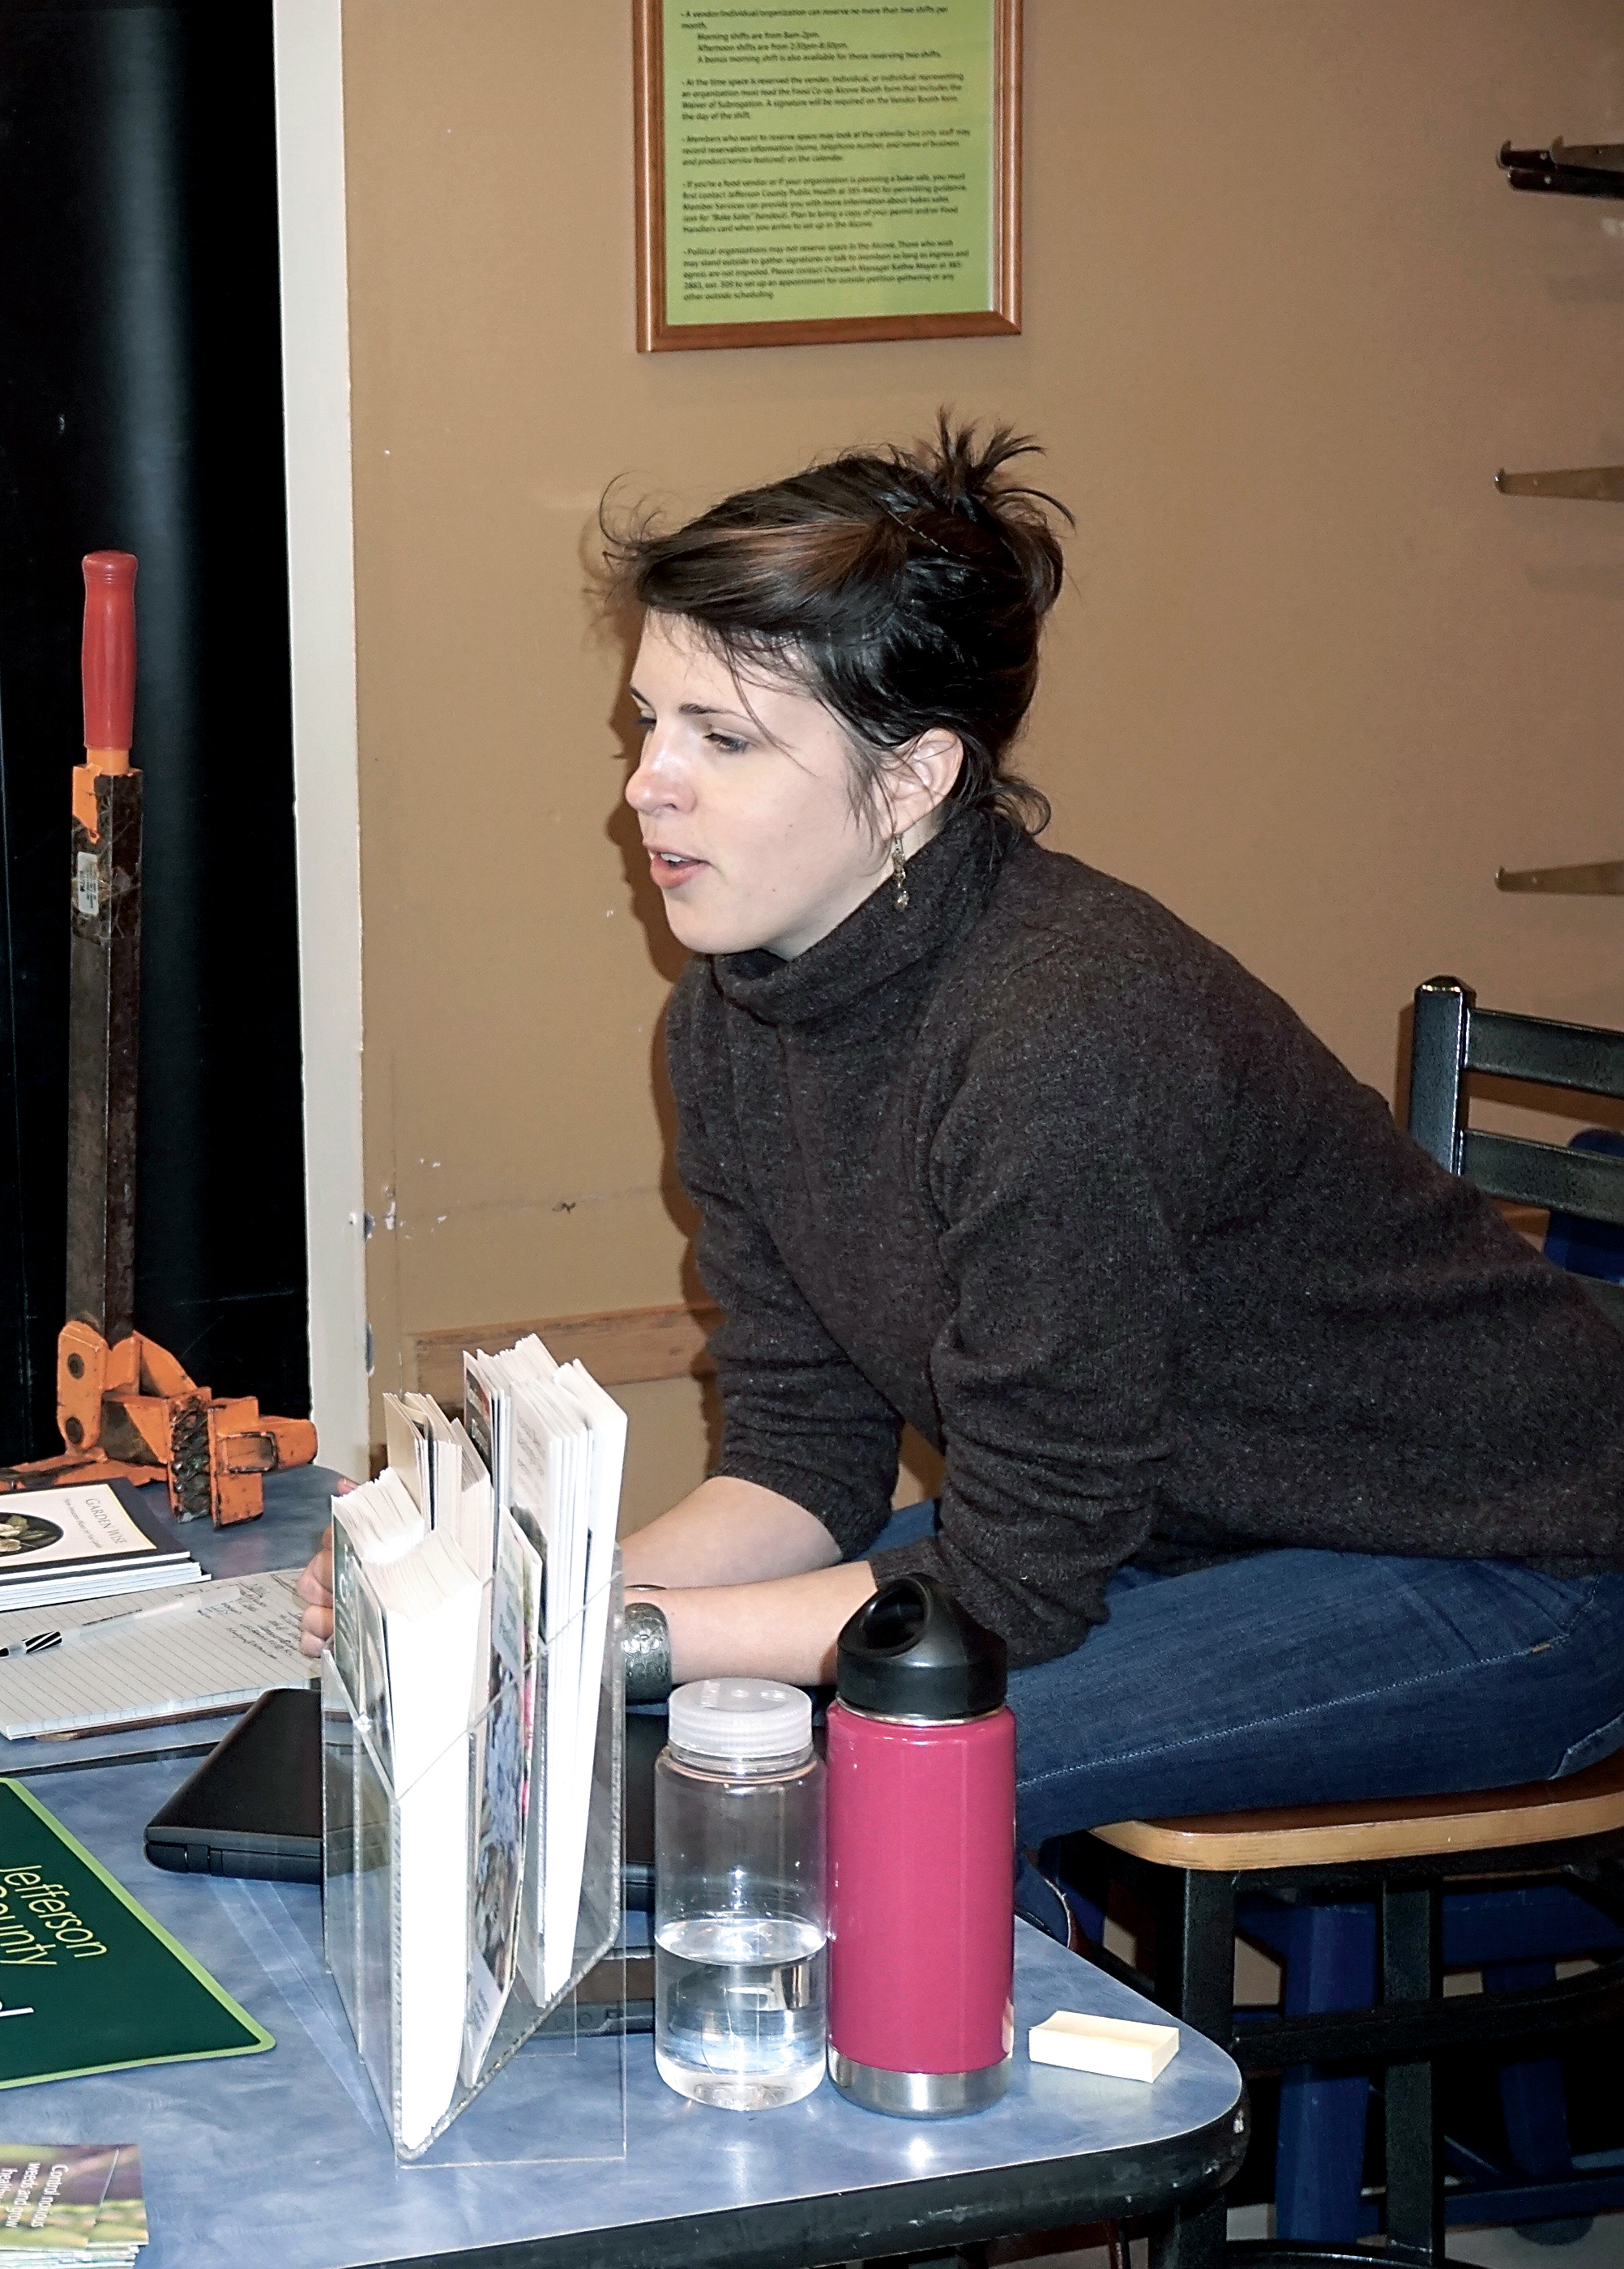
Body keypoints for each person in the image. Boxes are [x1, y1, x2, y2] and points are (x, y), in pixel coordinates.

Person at [309, 421, 1624, 1848]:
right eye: (649, 724)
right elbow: (804, 1460)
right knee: (648, 1744)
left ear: (919, 774)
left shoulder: (1063, 1028)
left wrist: (601, 1641)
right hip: (1173, 1544)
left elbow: (1011, 1588)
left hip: (1522, 1562)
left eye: (724, 739)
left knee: (844, 1801)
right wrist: (537, 1606)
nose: (647, 784)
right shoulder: (734, 1015)